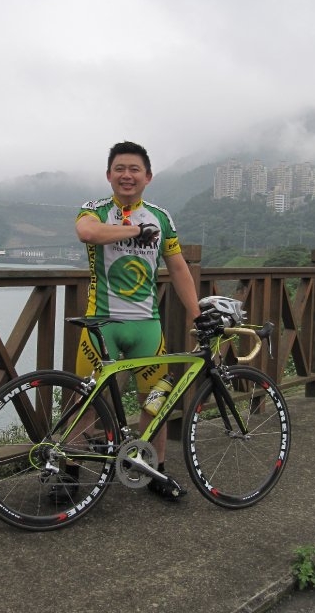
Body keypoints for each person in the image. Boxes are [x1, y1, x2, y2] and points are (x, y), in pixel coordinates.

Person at [72, 140, 202, 500]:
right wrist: (135, 231)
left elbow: (178, 268)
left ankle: (154, 469)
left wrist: (196, 313)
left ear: (148, 177)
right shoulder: (95, 209)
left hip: (147, 326)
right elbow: (88, 233)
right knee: (86, 404)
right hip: (102, 326)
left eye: (134, 169)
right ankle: (66, 473)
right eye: (120, 169)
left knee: (155, 401)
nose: (126, 175)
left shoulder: (160, 218)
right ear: (109, 175)